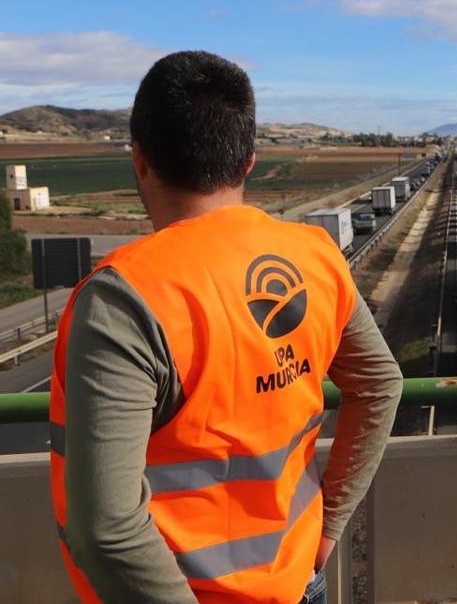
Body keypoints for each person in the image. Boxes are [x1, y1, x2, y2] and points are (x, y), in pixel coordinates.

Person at [49, 51, 403, 603]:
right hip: (299, 580)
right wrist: (329, 522)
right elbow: (380, 384)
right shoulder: (314, 256)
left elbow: (107, 529)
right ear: (249, 162)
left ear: (140, 160)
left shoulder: (125, 297)